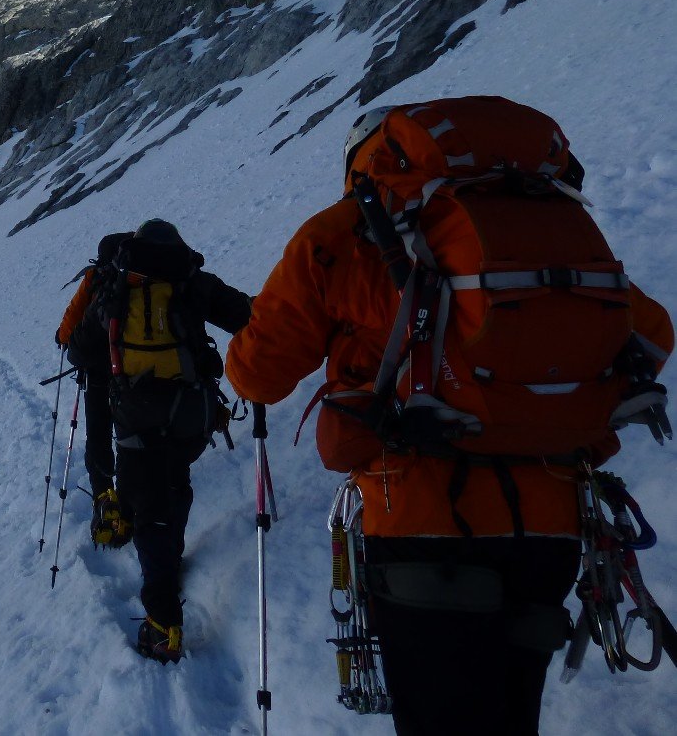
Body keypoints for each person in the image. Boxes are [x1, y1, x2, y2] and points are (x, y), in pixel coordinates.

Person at [226, 103, 674, 735]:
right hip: (550, 524)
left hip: (419, 517)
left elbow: (256, 374)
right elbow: (652, 335)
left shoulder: (347, 231)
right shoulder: (551, 224)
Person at [71, 218, 251, 664]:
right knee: (173, 482)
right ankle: (167, 549)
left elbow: (79, 349)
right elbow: (248, 315)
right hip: (193, 414)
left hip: (136, 417)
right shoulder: (191, 280)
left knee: (150, 507)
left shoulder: (116, 288)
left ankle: (162, 620)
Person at [56, 231, 133, 546]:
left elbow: (66, 330)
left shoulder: (95, 280)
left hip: (100, 374)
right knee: (132, 438)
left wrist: (66, 338)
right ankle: (132, 497)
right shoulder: (147, 279)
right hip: (139, 376)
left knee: (99, 435)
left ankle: (104, 496)